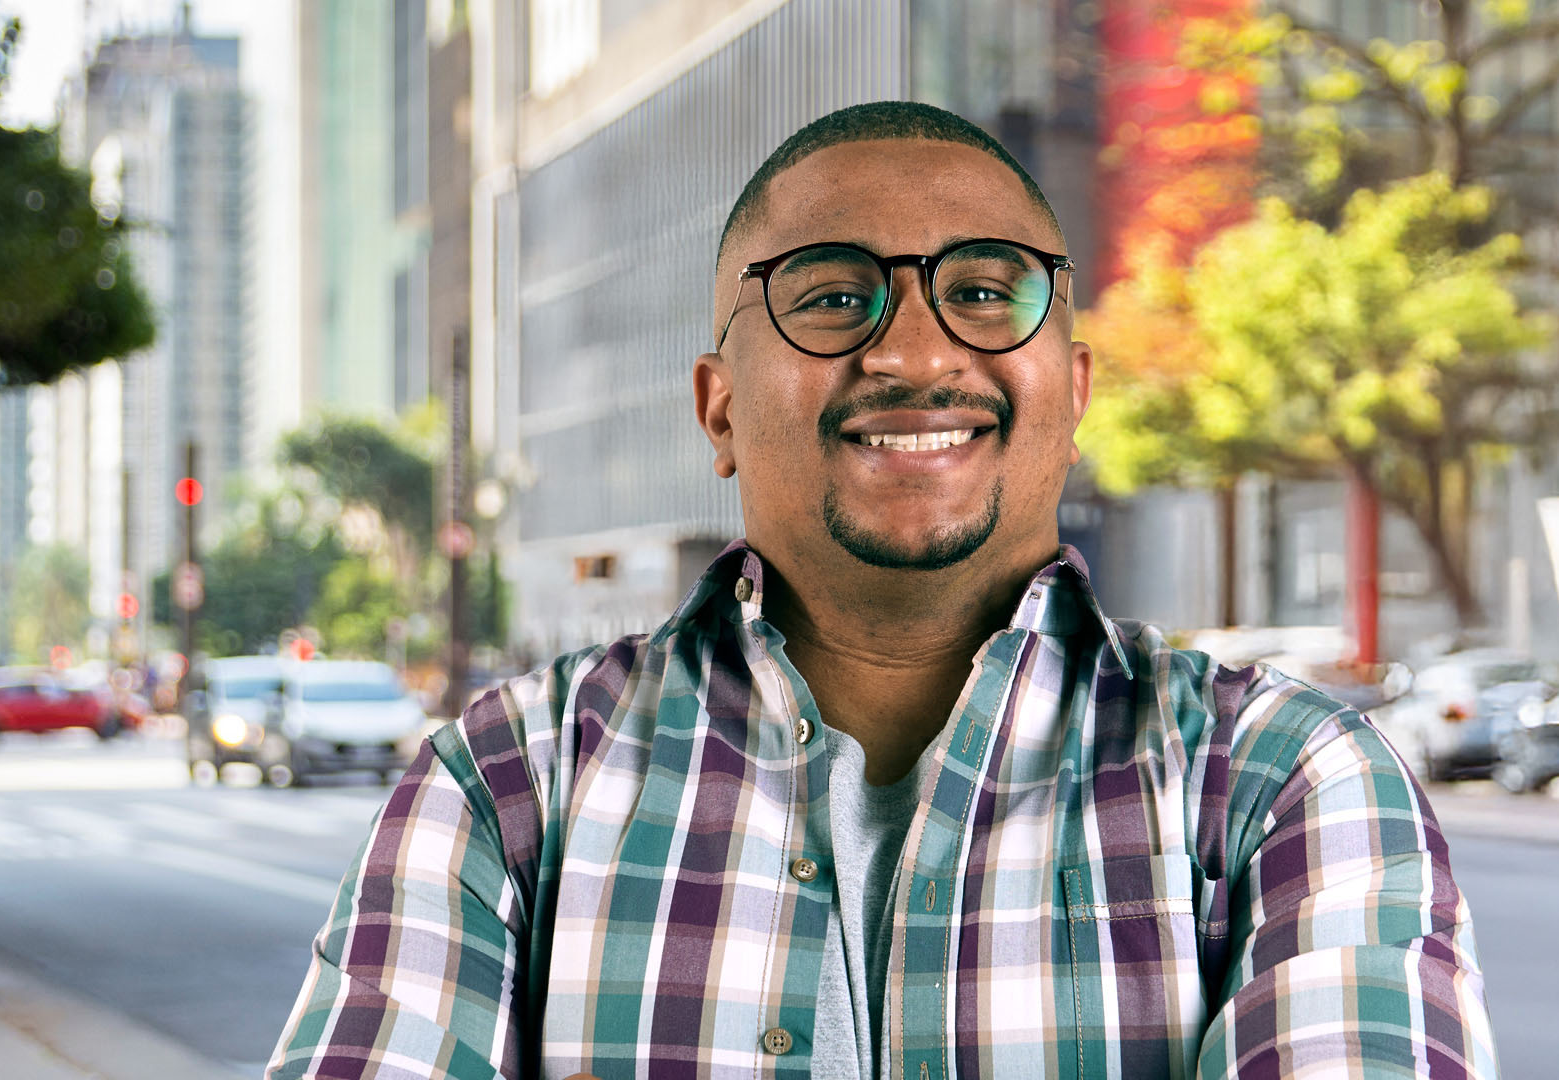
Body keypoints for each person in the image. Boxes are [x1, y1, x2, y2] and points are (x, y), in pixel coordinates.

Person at [267, 101, 1497, 1080]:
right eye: (831, 297)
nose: (914, 352)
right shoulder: (510, 785)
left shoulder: (1284, 782)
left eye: (985, 291)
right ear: (720, 409)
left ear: (1073, 392)